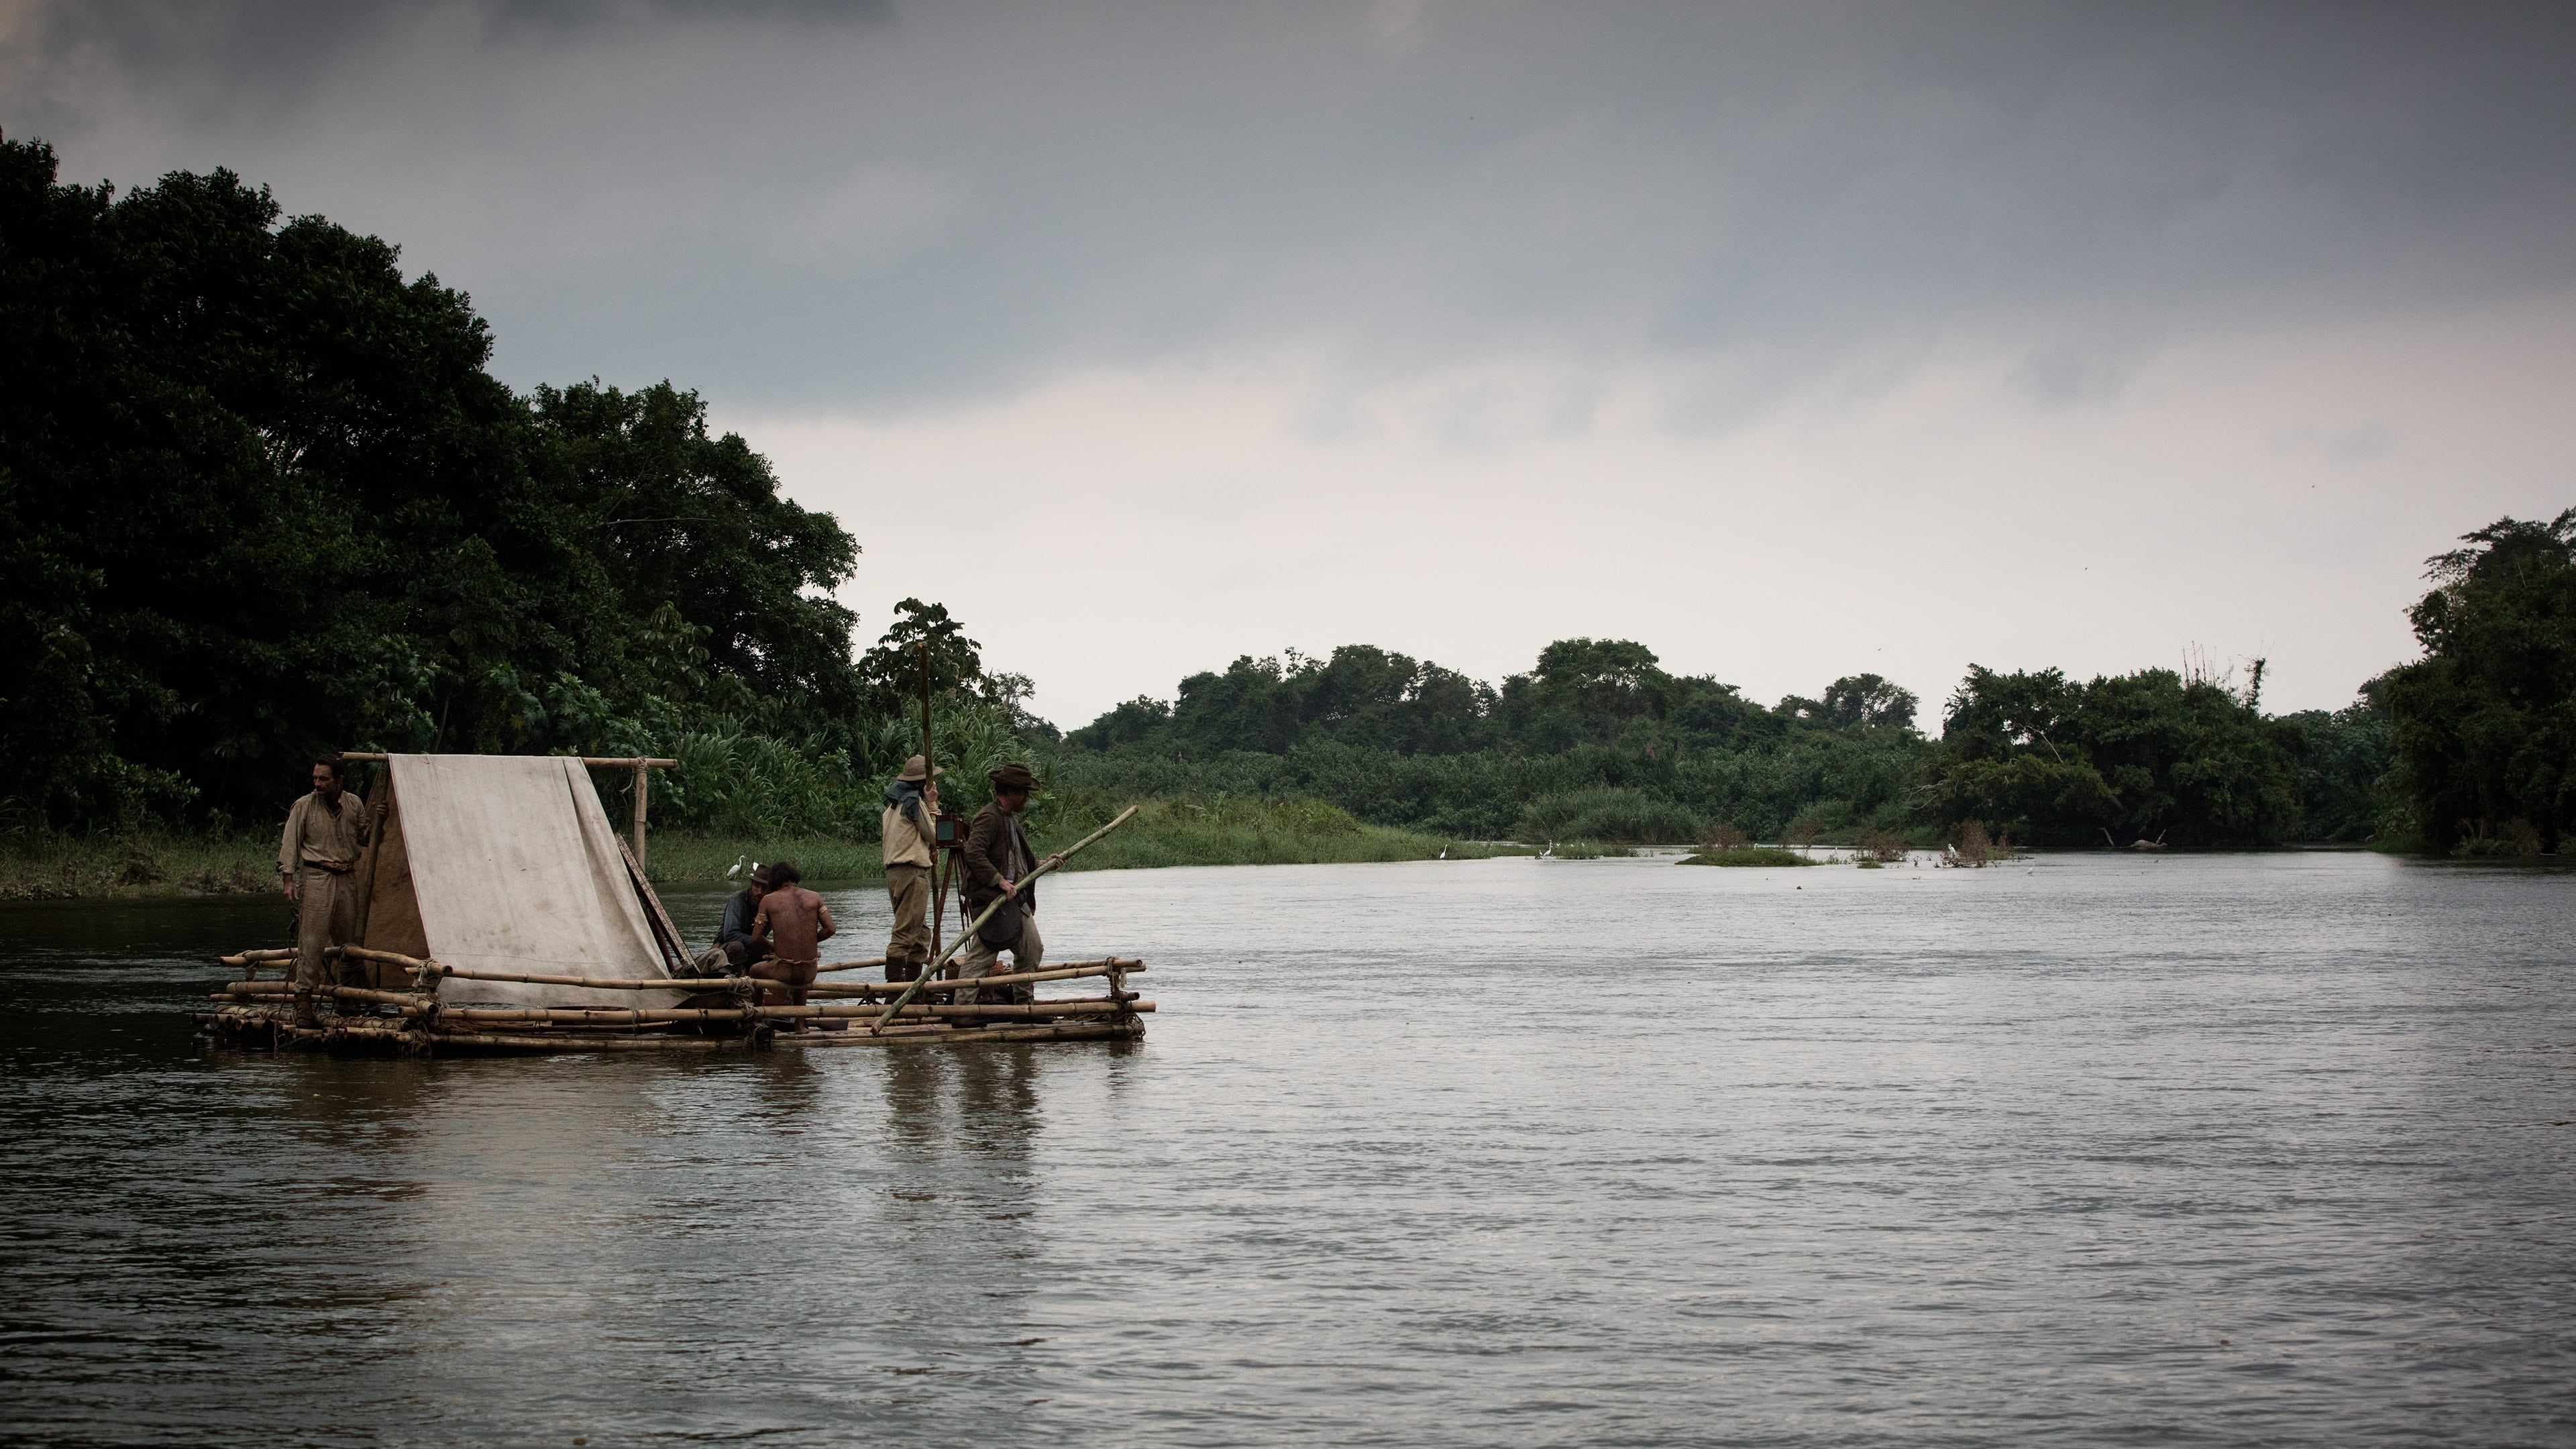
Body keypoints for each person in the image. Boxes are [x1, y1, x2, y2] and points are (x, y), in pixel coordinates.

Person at [276, 757, 384, 1026]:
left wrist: (381, 820)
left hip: (347, 876)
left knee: (349, 945)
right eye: (315, 778)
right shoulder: (304, 806)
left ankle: (348, 1001)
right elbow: (290, 842)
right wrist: (288, 879)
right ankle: (304, 1005)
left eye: (324, 779)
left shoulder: (354, 803)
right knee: (312, 943)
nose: (318, 783)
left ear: (339, 781)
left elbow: (366, 838)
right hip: (317, 876)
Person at [957, 763, 1063, 1007]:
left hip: (1016, 900)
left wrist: (1044, 864)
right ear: (1011, 792)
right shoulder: (989, 817)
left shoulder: (1011, 821)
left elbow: (1017, 864)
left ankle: (1023, 1006)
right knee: (982, 957)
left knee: (1032, 951)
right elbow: (973, 854)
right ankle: (962, 1011)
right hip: (994, 901)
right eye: (1024, 792)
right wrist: (999, 881)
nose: (1026, 797)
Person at [749, 861, 835, 1031]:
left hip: (784, 972)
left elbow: (756, 938)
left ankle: (757, 1018)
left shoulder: (768, 900)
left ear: (774, 881)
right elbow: (831, 929)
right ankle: (799, 1024)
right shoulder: (815, 897)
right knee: (803, 965)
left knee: (754, 971)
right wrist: (809, 942)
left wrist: (775, 947)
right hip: (810, 972)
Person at [880, 755, 943, 983]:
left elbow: (914, 839)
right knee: (906, 934)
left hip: (896, 874)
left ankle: (912, 988)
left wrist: (927, 849)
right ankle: (895, 992)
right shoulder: (914, 803)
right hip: (911, 873)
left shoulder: (893, 807)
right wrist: (933, 804)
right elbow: (936, 835)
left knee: (921, 934)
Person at [699, 864, 771, 976]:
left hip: (753, 950)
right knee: (736, 947)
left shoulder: (770, 906)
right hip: (725, 952)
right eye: (757, 886)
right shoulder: (738, 900)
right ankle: (738, 978)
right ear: (751, 885)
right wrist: (763, 942)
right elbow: (730, 935)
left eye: (764, 888)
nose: (759, 892)